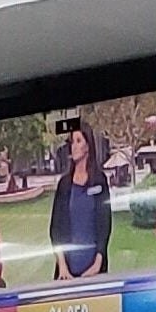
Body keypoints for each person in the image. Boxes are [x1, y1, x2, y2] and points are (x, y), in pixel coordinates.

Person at [47, 120, 110, 281]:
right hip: (66, 273)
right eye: (72, 142)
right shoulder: (64, 184)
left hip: (95, 272)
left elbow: (105, 225)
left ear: (88, 146)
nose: (73, 146)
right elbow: (55, 229)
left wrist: (98, 263)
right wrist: (62, 265)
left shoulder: (99, 181)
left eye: (78, 141)